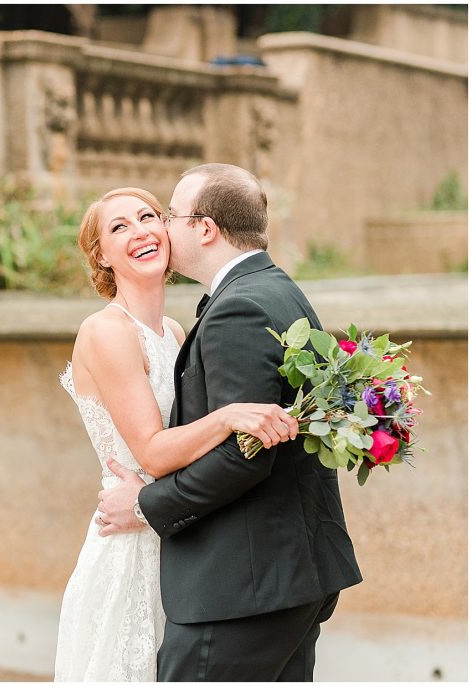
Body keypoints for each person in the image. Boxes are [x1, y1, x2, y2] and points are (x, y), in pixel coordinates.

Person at [96, 164, 362, 681]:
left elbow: (245, 455)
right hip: (287, 577)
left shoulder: (236, 309)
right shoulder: (278, 288)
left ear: (205, 228)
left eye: (168, 215)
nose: (161, 228)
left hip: (241, 589)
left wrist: (145, 506)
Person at [54, 185, 300, 682]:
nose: (140, 230)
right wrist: (231, 415)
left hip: (181, 534)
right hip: (130, 541)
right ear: (101, 254)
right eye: (119, 226)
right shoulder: (105, 331)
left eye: (148, 216)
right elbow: (152, 451)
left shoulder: (174, 330)